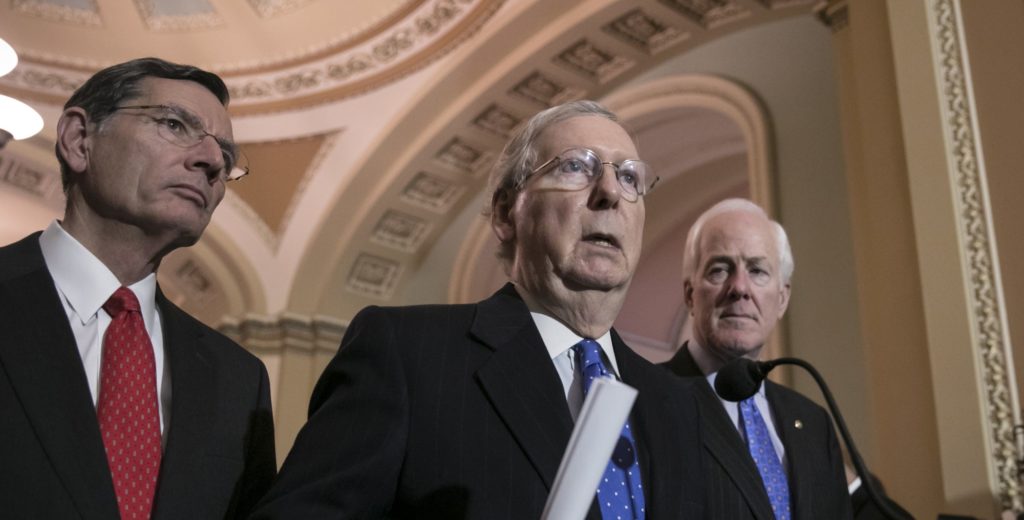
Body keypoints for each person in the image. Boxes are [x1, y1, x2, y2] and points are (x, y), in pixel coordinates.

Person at [252, 100, 706, 519]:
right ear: (508, 214)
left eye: (629, 177)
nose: (609, 191)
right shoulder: (408, 355)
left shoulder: (677, 403)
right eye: (575, 167)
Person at [0, 57, 275, 519]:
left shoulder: (238, 379)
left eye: (226, 158)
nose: (210, 161)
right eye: (173, 123)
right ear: (78, 140)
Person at [661, 198, 852, 519]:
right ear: (690, 294)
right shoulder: (647, 398)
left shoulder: (813, 423)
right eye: (720, 269)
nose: (739, 288)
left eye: (757, 270)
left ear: (782, 298)